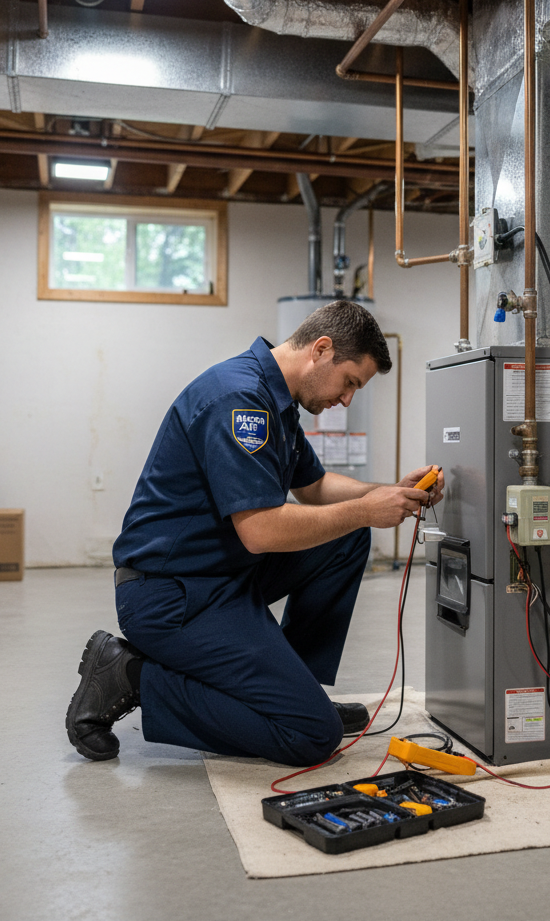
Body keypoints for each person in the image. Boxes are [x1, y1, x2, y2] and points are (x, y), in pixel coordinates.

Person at [66, 300, 444, 766]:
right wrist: (366, 510)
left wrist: (388, 493)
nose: (347, 400)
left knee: (346, 536)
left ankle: (297, 685)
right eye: (350, 383)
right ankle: (131, 674)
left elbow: (316, 487)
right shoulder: (238, 399)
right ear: (321, 350)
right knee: (310, 735)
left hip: (221, 576)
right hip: (170, 597)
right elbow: (261, 531)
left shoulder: (278, 401)